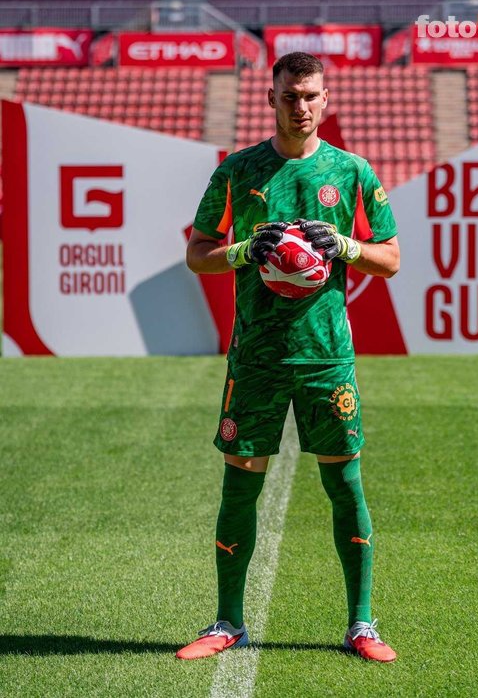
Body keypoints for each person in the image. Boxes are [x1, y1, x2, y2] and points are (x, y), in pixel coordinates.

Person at [177, 51, 400, 663]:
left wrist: (346, 246)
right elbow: (198, 253)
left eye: (309, 96)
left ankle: (362, 625)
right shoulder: (237, 170)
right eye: (289, 96)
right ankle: (228, 622)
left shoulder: (352, 171)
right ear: (271, 98)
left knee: (344, 486)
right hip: (256, 359)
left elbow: (390, 258)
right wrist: (245, 250)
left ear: (325, 99)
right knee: (239, 488)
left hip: (327, 358)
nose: (300, 106)